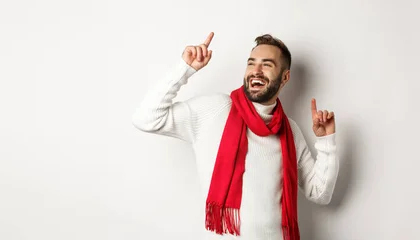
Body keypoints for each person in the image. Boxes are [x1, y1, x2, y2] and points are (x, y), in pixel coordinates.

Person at [131, 32, 339, 240]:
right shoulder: (215, 110)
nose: (256, 71)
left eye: (266, 64)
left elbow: (319, 193)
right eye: (251, 63)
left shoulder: (290, 131)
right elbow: (146, 118)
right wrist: (184, 70)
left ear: (285, 77)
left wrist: (326, 141)